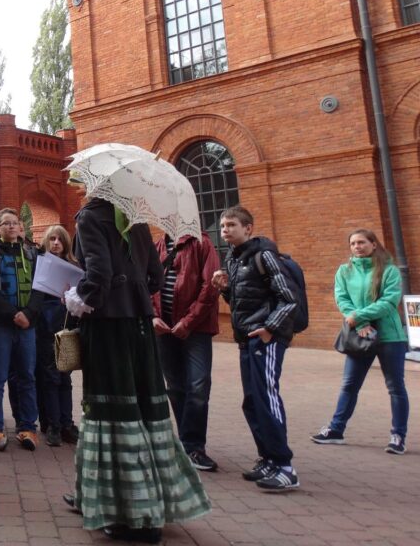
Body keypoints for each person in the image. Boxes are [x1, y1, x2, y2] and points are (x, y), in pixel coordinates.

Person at [68, 196, 210, 543]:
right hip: (140, 326)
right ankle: (137, 503)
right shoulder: (137, 220)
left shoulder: (90, 217)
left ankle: (132, 518)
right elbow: (155, 278)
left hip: (108, 328)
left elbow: (98, 276)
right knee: (143, 411)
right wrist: (131, 290)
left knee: (111, 413)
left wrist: (77, 298)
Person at [212, 205, 299, 492]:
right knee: (252, 400)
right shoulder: (233, 258)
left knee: (266, 397)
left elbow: (289, 298)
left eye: (231, 225)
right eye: (223, 226)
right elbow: (242, 301)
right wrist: (224, 288)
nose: (225, 230)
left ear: (248, 228)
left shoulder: (264, 255)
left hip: (265, 337)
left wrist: (269, 328)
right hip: (246, 336)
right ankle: (268, 458)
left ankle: (284, 466)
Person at [310, 228, 409, 455]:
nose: (357, 247)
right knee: (349, 385)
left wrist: (359, 317)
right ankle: (336, 430)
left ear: (374, 244)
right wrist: (360, 322)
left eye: (362, 242)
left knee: (395, 387)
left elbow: (390, 301)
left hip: (390, 337)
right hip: (359, 336)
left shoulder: (389, 270)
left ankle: (398, 436)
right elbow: (342, 299)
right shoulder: (344, 271)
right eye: (353, 243)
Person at [151, 230, 221, 472]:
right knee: (175, 386)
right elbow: (146, 284)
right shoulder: (158, 246)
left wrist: (188, 322)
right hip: (164, 328)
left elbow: (210, 287)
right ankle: (186, 443)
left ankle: (194, 447)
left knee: (198, 386)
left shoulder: (202, 243)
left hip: (195, 330)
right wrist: (152, 317)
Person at [0, 208, 41, 451]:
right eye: (6, 223)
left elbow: (40, 287)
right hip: (1, 325)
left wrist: (29, 313)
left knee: (27, 377)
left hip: (27, 326)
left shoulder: (31, 253)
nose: (12, 226)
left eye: (15, 222)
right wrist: (13, 314)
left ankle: (27, 427)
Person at [34, 224, 79, 447]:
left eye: (60, 239)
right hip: (46, 329)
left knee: (65, 377)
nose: (56, 243)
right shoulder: (40, 265)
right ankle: (53, 425)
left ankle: (66, 423)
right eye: (52, 239)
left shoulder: (74, 267)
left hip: (67, 328)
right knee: (51, 377)